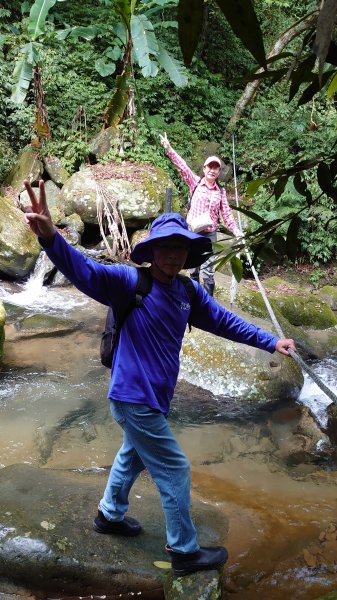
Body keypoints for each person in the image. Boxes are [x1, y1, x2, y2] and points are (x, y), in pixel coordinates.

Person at [23, 179, 296, 578]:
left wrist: (271, 341)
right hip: (132, 396)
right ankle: (183, 551)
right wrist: (51, 239)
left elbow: (224, 322)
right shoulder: (130, 282)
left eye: (179, 248)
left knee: (131, 457)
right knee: (174, 469)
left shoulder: (188, 292)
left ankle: (109, 515)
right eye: (165, 247)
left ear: (187, 253)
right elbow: (86, 272)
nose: (172, 255)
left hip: (154, 398)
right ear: (151, 252)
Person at [160, 132, 242, 297]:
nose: (212, 170)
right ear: (204, 169)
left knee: (209, 270)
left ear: (219, 171)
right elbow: (182, 167)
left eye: (215, 167)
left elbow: (226, 214)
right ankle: (193, 298)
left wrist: (236, 231)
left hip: (210, 235)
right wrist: (169, 149)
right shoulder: (195, 183)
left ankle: (207, 304)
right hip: (192, 232)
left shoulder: (221, 191)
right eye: (209, 167)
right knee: (193, 268)